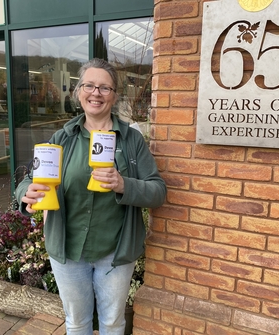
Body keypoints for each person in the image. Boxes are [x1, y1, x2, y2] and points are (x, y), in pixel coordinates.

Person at [15, 58, 166, 335]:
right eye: (89, 85)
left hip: (115, 253)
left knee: (111, 322)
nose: (96, 93)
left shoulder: (131, 140)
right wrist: (26, 191)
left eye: (105, 88)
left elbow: (157, 192)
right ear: (78, 91)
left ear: (114, 96)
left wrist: (123, 184)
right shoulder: (63, 137)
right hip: (68, 251)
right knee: (77, 323)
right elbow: (30, 179)